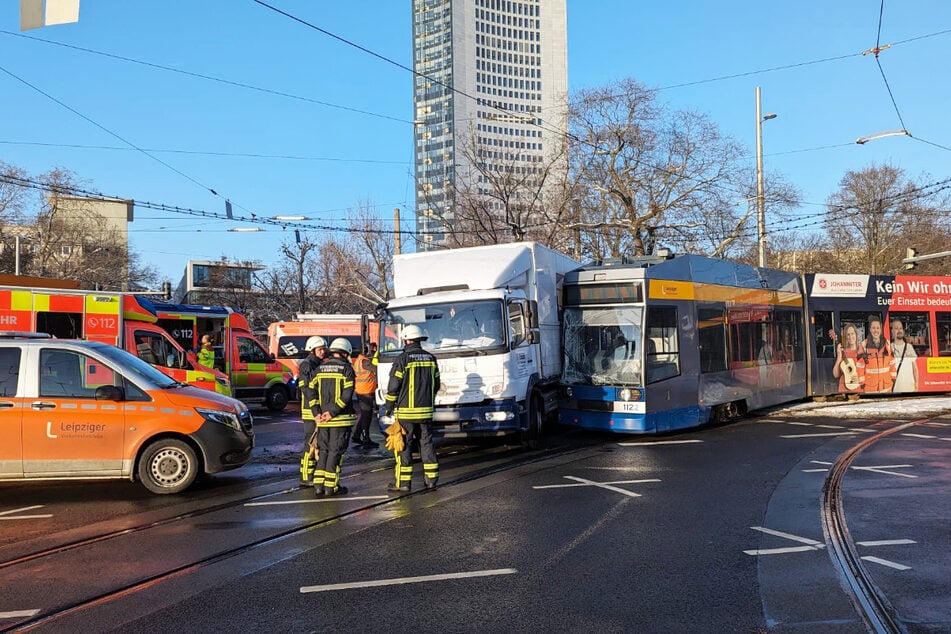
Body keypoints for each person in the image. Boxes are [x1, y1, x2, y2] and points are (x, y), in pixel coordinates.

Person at [383, 324, 441, 493]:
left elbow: (394, 386)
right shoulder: (431, 358)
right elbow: (436, 384)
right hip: (426, 412)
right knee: (427, 444)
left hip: (406, 413)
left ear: (407, 340)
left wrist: (388, 407)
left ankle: (403, 483)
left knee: (404, 446)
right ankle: (431, 481)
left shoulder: (403, 359)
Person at [310, 338, 357, 497]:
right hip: (340, 418)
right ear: (345, 353)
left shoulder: (319, 368)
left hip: (322, 419)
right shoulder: (347, 369)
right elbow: (347, 395)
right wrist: (333, 412)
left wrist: (316, 412)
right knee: (335, 452)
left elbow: (311, 392)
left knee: (323, 450)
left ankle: (318, 486)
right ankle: (331, 487)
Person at [297, 335, 327, 487]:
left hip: (317, 410)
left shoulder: (318, 364)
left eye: (323, 349)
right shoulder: (307, 365)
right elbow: (306, 388)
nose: (323, 352)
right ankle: (306, 476)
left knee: (318, 443)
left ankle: (312, 474)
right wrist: (315, 410)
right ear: (312, 350)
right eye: (320, 349)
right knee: (310, 443)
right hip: (310, 411)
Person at [350, 344, 379, 448]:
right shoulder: (365, 361)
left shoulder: (360, 360)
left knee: (365, 415)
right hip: (365, 392)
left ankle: (356, 435)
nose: (374, 351)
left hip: (363, 391)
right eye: (373, 350)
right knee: (367, 416)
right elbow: (377, 369)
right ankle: (366, 438)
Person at [862, 315, 895, 393]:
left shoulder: (887, 344)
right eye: (873, 328)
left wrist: (893, 379)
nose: (875, 330)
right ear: (870, 329)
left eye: (877, 328)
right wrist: (862, 384)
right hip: (870, 389)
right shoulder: (863, 345)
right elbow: (860, 367)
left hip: (887, 387)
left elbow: (892, 363)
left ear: (881, 330)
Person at [830, 324, 865, 393]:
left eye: (852, 333)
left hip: (858, 389)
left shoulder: (862, 351)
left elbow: (868, 372)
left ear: (856, 334)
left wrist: (860, 379)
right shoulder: (843, 352)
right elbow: (836, 375)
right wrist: (839, 356)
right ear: (845, 337)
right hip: (844, 389)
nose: (850, 337)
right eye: (848, 334)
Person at [889, 318, 919, 392]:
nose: (899, 330)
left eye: (901, 328)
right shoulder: (889, 348)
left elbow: (915, 369)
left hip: (909, 389)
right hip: (894, 389)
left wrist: (916, 386)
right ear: (892, 331)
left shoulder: (909, 347)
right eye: (896, 328)